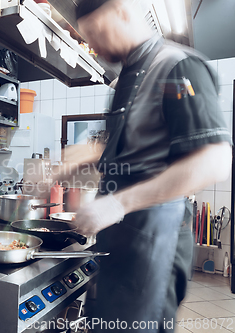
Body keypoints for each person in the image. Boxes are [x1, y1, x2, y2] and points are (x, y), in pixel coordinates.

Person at [58, 0, 232, 332]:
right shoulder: (127, 76)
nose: (92, 46)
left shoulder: (177, 66)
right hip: (122, 242)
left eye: (95, 33)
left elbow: (215, 161)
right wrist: (92, 154)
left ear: (123, 11)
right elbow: (144, 149)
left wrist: (118, 202)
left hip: (154, 242)